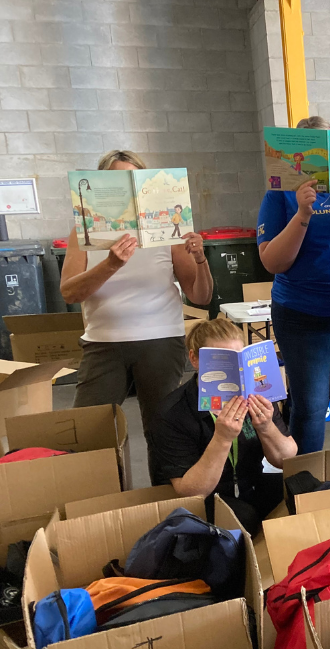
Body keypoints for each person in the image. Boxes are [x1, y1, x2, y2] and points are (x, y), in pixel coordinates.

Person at [60, 149, 213, 478]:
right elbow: (70, 292)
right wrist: (111, 264)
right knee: (91, 433)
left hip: (160, 339)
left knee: (163, 429)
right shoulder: (85, 232)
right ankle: (103, 502)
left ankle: (165, 503)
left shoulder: (170, 229)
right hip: (103, 342)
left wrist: (201, 259)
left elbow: (200, 296)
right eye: (115, 181)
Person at [257, 115, 330, 457]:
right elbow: (273, 263)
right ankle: (306, 489)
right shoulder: (280, 195)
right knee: (310, 408)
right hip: (301, 312)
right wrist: (303, 213)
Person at [150, 319, 296, 534]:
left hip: (250, 483)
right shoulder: (172, 413)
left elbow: (287, 459)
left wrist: (266, 427)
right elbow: (191, 491)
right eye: (219, 361)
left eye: (238, 360)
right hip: (203, 498)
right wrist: (222, 438)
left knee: (303, 488)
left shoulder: (256, 395)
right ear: (194, 359)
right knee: (243, 519)